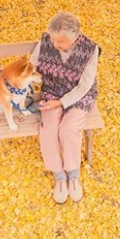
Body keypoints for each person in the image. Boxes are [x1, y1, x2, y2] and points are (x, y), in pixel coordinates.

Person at [29, 12, 100, 204]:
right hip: (51, 92)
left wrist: (62, 103)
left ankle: (73, 174)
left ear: (75, 38)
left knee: (68, 128)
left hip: (79, 96)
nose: (54, 44)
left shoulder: (90, 50)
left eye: (59, 42)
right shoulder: (46, 42)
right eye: (52, 39)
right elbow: (31, 65)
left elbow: (85, 86)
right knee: (49, 129)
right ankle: (59, 176)